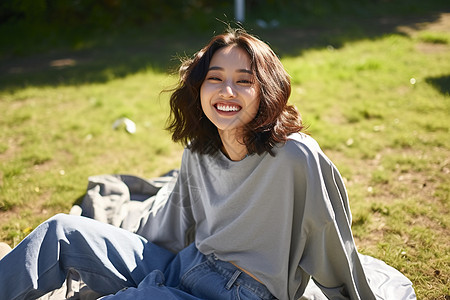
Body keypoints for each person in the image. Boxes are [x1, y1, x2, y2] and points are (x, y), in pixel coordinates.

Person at [0, 28, 415, 300]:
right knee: (60, 231)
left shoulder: (295, 157)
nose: (227, 89)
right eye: (215, 77)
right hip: (189, 262)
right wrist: (123, 243)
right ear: (200, 87)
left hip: (242, 292)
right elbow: (172, 221)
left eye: (245, 79)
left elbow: (332, 241)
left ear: (266, 89)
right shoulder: (199, 150)